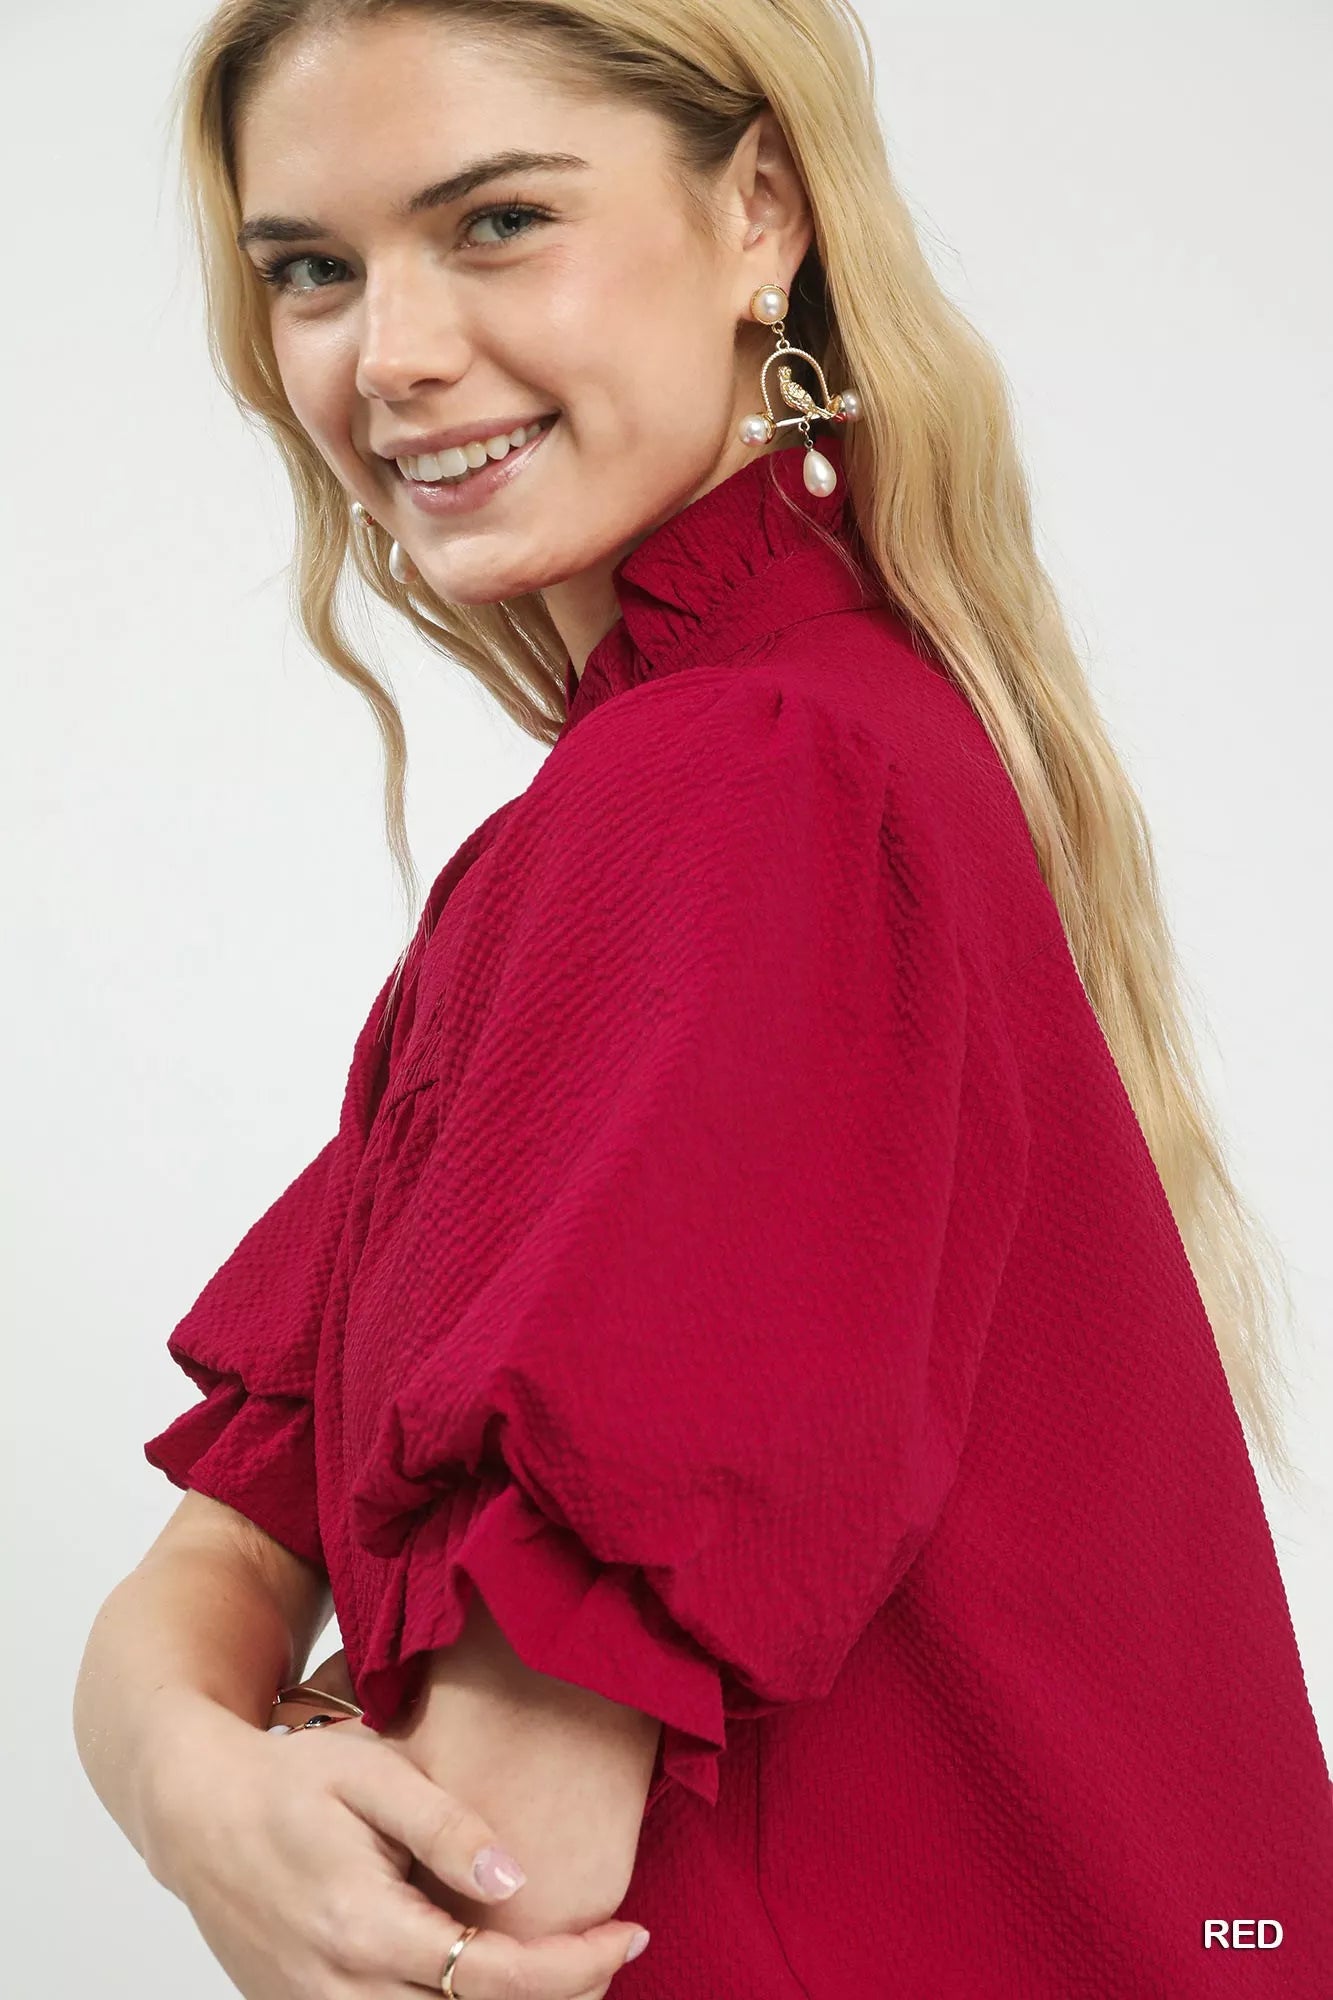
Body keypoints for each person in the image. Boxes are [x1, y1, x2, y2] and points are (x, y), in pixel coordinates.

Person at [73, 2, 1333, 1995]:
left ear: (760, 209)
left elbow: (489, 1883)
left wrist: (258, 1772)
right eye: (311, 267)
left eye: (494, 223)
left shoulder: (741, 779)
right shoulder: (753, 757)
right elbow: (235, 1536)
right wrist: (181, 1773)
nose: (387, 354)